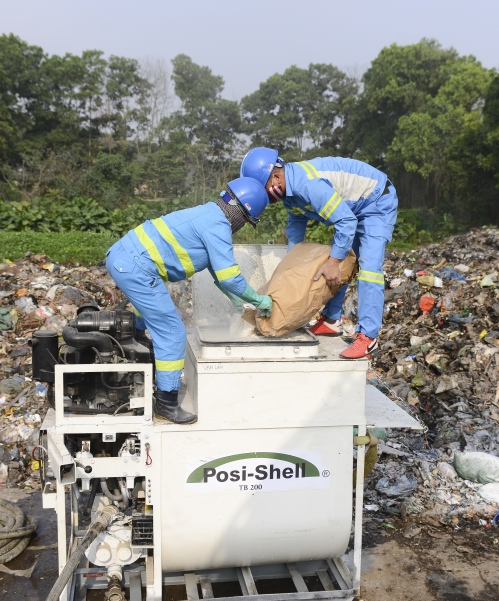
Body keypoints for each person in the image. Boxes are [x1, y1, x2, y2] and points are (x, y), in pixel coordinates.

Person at [105, 178, 273, 424]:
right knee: (173, 333)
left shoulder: (209, 214)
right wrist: (259, 301)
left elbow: (219, 272)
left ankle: (135, 350)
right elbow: (229, 277)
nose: (244, 226)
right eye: (247, 221)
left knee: (152, 321)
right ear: (242, 212)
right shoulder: (219, 226)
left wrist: (237, 300)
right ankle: (166, 402)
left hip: (126, 259)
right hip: (136, 268)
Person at [239, 147, 397, 359]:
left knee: (367, 268)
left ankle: (368, 337)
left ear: (276, 176)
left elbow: (346, 221)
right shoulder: (290, 194)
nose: (264, 195)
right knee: (340, 261)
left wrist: (333, 261)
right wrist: (288, 271)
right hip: (352, 210)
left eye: (264, 188)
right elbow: (296, 226)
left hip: (376, 200)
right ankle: (331, 320)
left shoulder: (307, 185)